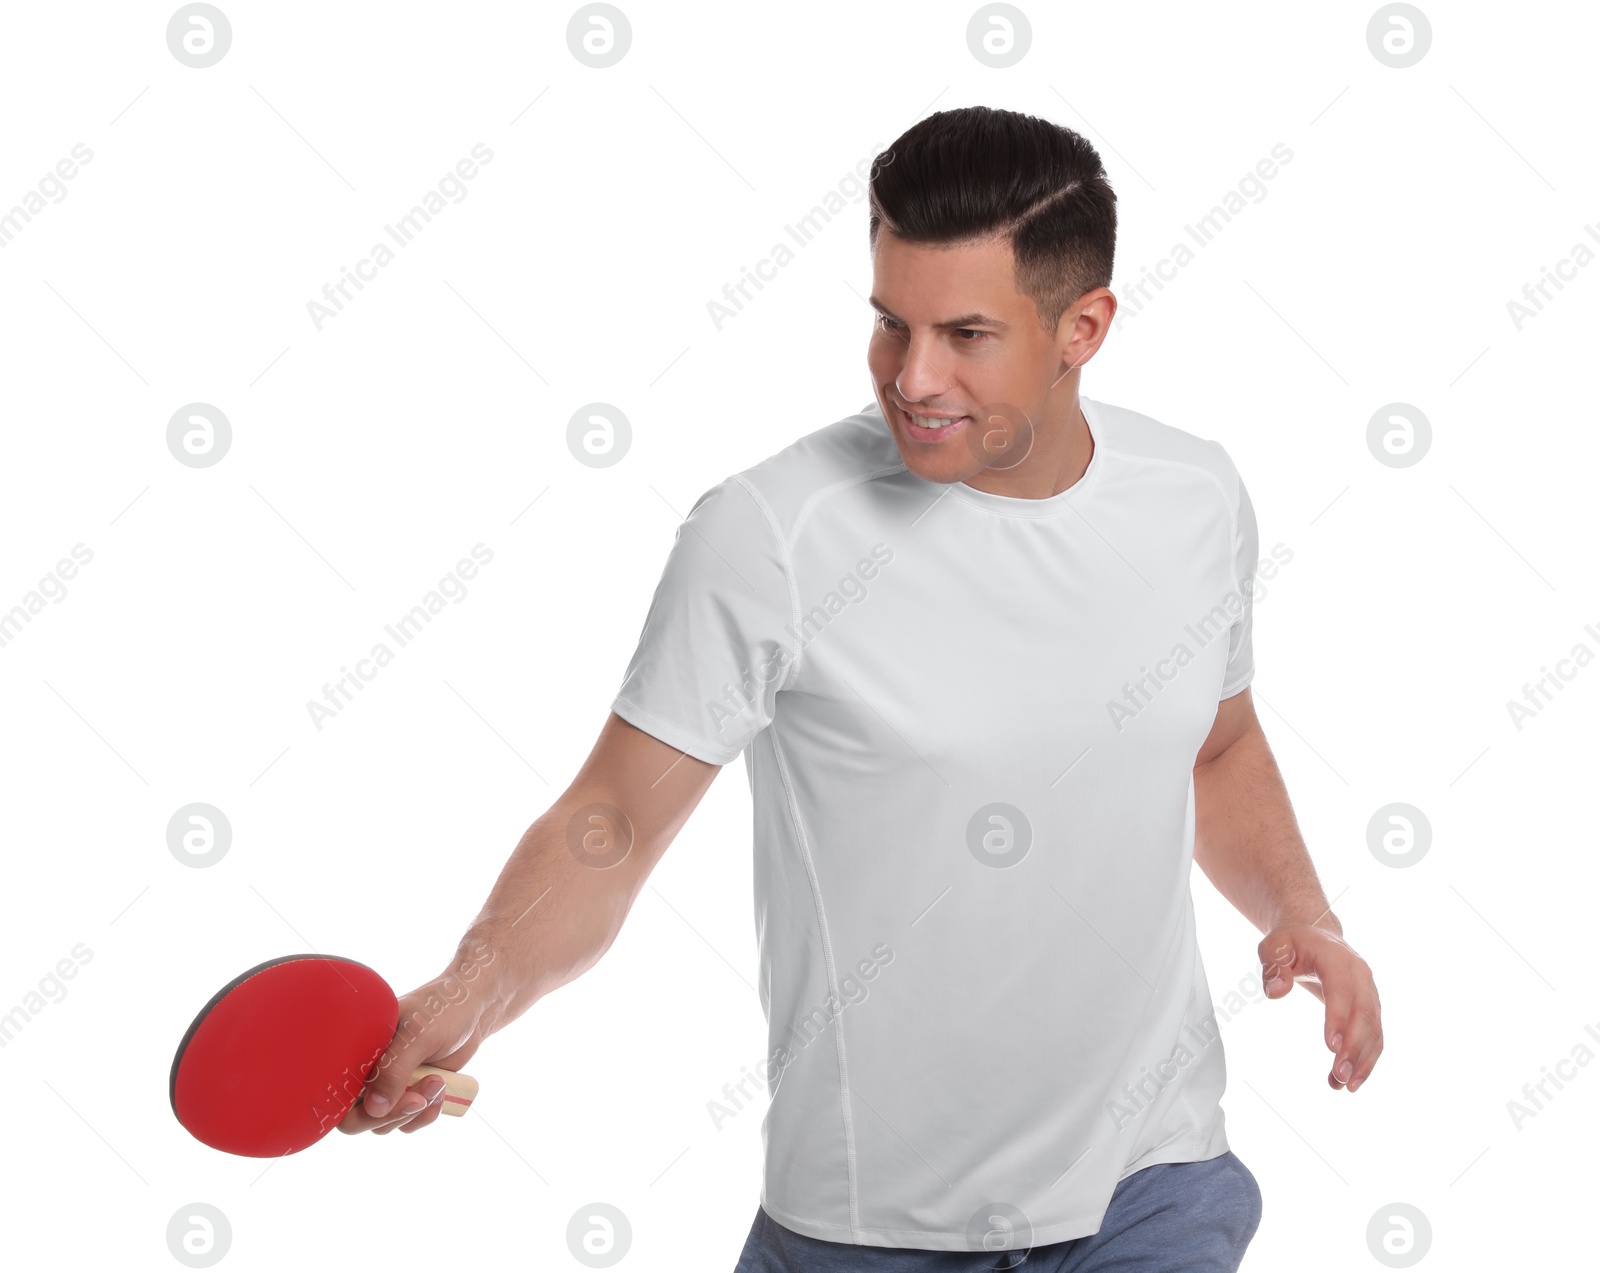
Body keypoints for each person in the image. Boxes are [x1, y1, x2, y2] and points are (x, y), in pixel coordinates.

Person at [337, 105, 1383, 1271]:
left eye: (967, 335)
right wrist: (469, 989)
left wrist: (1304, 914)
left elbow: (1214, 745)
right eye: (891, 323)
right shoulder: (772, 534)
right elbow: (615, 824)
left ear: (1083, 326)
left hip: (1154, 1187)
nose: (913, 376)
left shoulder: (1193, 496)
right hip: (871, 1227)